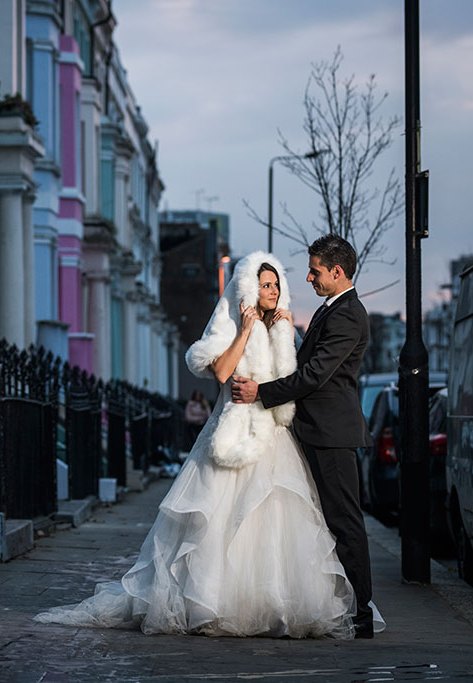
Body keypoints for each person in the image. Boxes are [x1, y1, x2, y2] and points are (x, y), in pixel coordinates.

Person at [34, 250, 382, 639]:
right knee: (225, 521)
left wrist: (266, 380)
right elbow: (220, 370)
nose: (275, 289)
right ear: (249, 287)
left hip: (280, 433)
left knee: (288, 523)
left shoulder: (304, 323)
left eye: (275, 284)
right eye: (265, 284)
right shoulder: (244, 322)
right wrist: (247, 331)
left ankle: (338, 609)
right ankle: (222, 601)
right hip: (237, 432)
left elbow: (307, 373)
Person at [231, 234, 378, 639]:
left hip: (331, 433)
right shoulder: (331, 310)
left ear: (336, 271)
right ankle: (341, 602)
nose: (309, 277)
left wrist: (261, 393)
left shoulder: (348, 314)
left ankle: (360, 613)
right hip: (315, 429)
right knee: (323, 522)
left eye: (315, 271)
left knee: (343, 522)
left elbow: (315, 375)